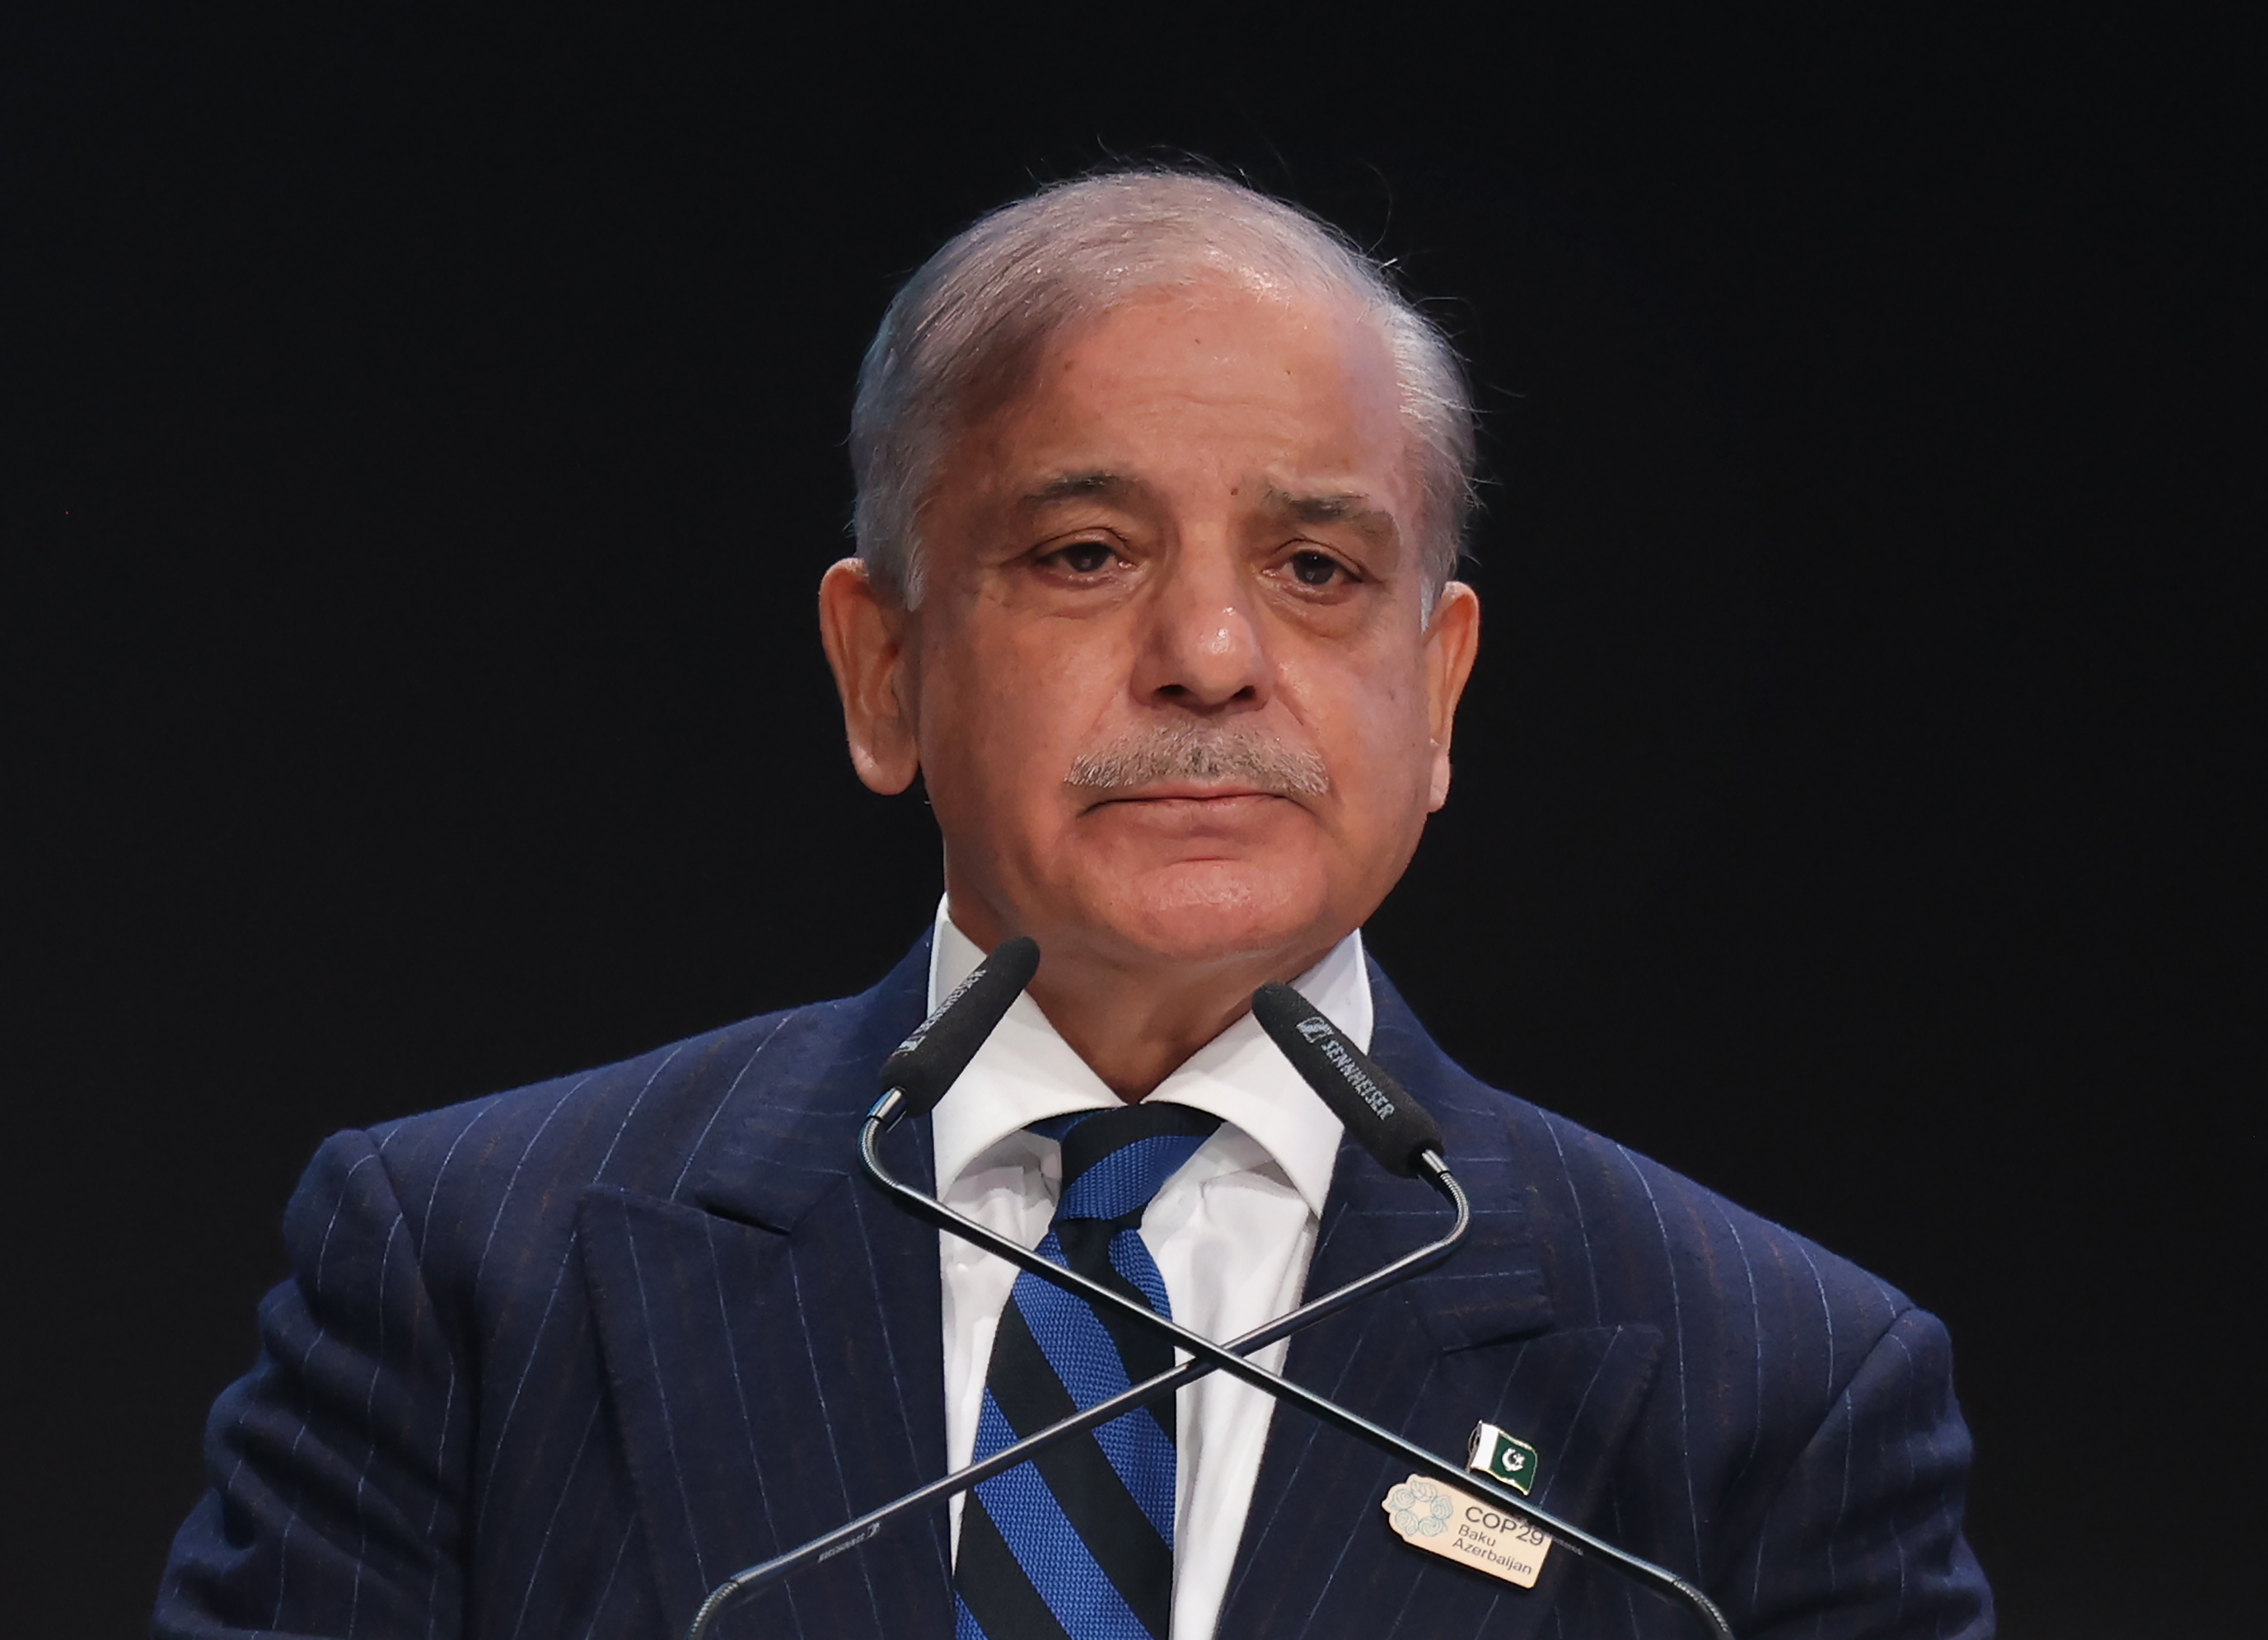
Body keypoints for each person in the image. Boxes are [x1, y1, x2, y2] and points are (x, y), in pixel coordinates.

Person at [155, 170, 1993, 1639]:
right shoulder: (472, 1268)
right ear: (884, 670)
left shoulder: (1779, 1382)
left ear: (1436, 693)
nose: (1210, 655)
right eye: (1086, 554)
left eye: (1315, 567)